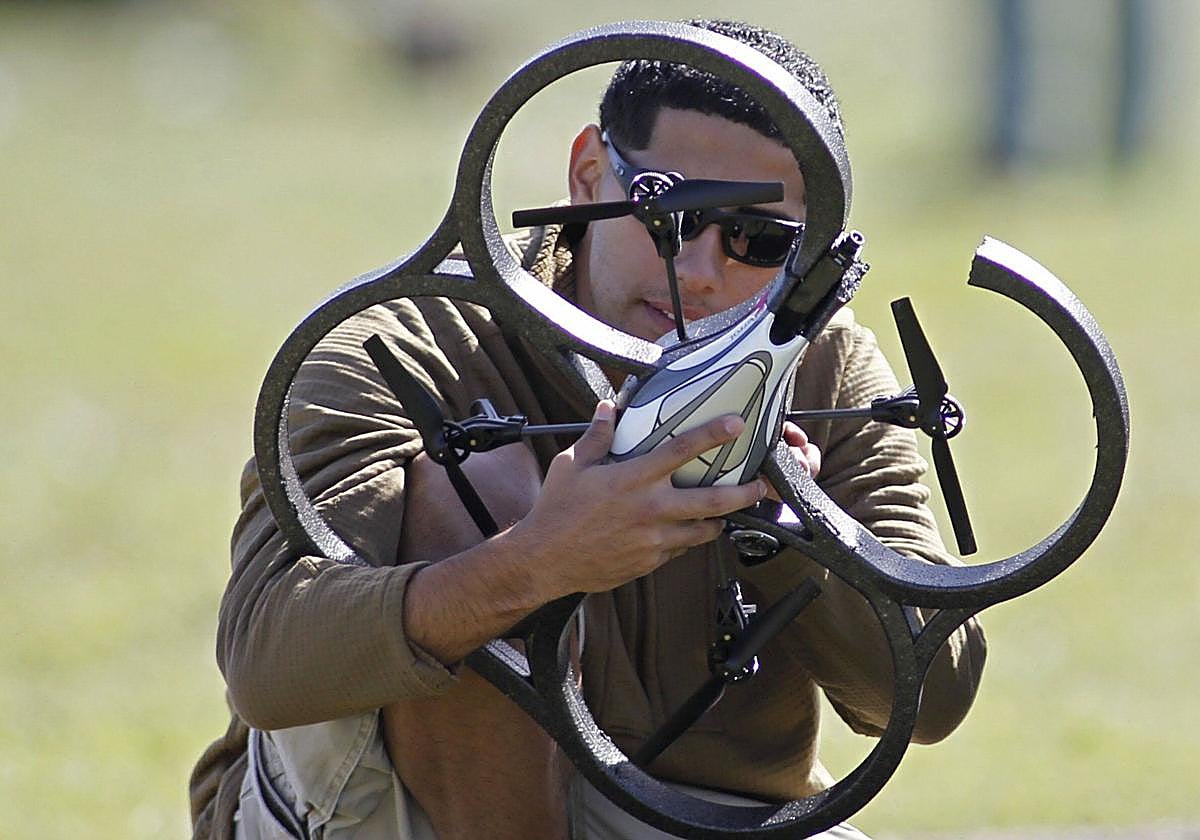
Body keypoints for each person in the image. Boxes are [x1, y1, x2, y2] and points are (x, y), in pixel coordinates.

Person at [190, 18, 986, 840]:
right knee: (486, 491)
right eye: (671, 214)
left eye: (758, 239)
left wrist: (788, 526)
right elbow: (266, 657)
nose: (704, 272)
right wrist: (533, 564)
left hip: (693, 813)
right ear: (587, 173)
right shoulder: (405, 345)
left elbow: (934, 694)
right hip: (380, 813)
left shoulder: (825, 370)